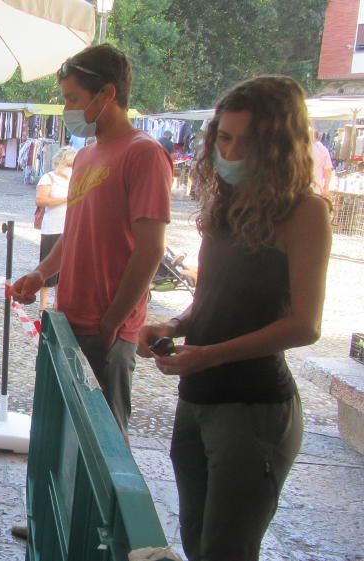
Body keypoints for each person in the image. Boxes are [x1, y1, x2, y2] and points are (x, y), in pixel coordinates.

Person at [138, 76, 330, 561]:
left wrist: (210, 356)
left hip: (253, 409)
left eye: (249, 140)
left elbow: (305, 325)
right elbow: (210, 300)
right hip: (198, 401)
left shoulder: (306, 212)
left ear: (279, 145)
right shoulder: (226, 204)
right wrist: (174, 327)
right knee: (198, 541)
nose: (233, 150)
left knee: (227, 550)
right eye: (225, 137)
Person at [13, 44, 172, 436]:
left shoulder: (144, 154)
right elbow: (76, 233)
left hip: (109, 330)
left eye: (73, 98)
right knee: (69, 436)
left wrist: (113, 321)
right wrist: (40, 272)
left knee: (105, 443)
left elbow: (150, 249)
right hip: (70, 319)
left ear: (107, 94)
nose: (68, 109)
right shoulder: (85, 156)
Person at [35, 146, 76, 310]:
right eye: (70, 164)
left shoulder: (74, 179)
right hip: (52, 227)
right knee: (48, 266)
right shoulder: (48, 178)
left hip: (69, 227)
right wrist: (65, 199)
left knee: (65, 269)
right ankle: (43, 305)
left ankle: (59, 303)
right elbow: (41, 200)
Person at [311, 130, 334, 195]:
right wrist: (326, 187)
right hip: (316, 188)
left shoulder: (300, 148)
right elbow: (328, 170)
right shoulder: (323, 149)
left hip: (299, 189)